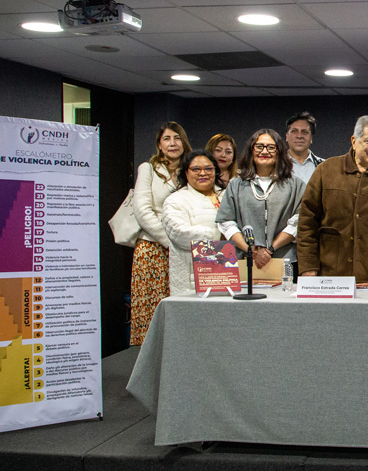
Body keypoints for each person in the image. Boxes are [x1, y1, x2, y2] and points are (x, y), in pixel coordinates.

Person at [297, 116, 368, 284]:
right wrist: (308, 266)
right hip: (329, 273)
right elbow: (307, 224)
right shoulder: (325, 171)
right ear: (354, 141)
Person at [130, 121, 189, 345]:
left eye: (177, 138)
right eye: (167, 139)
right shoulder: (149, 169)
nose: (172, 143)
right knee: (152, 310)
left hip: (184, 249)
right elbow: (142, 212)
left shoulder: (193, 168)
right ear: (159, 144)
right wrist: (169, 241)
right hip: (154, 249)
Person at [216, 129, 306, 271]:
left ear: (280, 152)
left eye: (271, 147)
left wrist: (270, 248)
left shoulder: (296, 185)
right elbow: (226, 221)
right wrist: (251, 250)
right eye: (259, 146)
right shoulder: (236, 185)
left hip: (285, 261)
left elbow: (300, 220)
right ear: (251, 150)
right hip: (245, 261)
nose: (264, 151)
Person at [161, 150, 224, 296]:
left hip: (228, 274)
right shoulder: (176, 200)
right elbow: (178, 233)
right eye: (196, 169)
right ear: (186, 173)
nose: (203, 173)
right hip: (192, 280)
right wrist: (219, 237)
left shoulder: (227, 195)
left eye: (208, 168)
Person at [285, 112, 324, 184]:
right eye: (294, 131)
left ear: (311, 138)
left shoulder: (324, 166)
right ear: (286, 136)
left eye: (304, 132)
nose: (299, 136)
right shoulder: (276, 165)